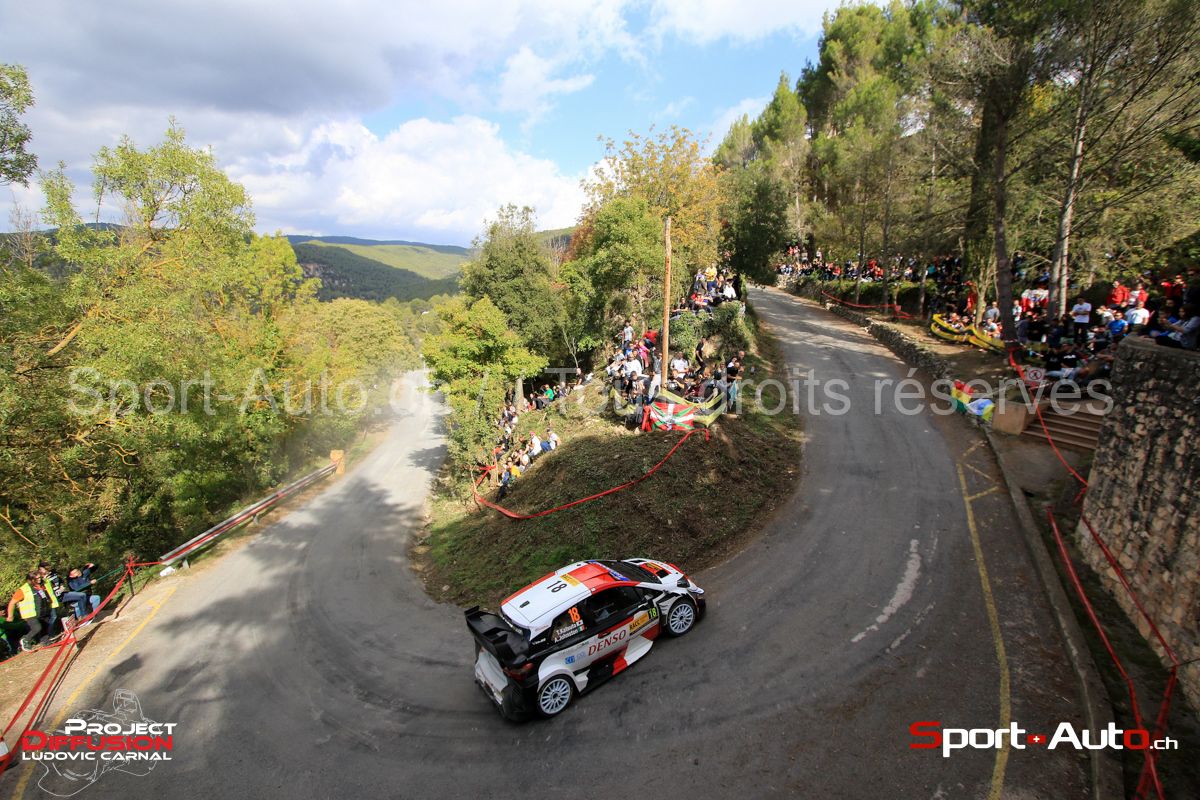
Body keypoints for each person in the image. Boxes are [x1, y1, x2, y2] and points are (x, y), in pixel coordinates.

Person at [7, 570, 58, 651]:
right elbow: (12, 603)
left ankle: (45, 642)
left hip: (45, 610)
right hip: (31, 613)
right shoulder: (23, 590)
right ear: (31, 580)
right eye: (36, 578)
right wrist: (10, 616)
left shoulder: (45, 583)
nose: (39, 579)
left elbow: (51, 591)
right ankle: (26, 641)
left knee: (45, 626)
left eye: (40, 577)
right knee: (37, 628)